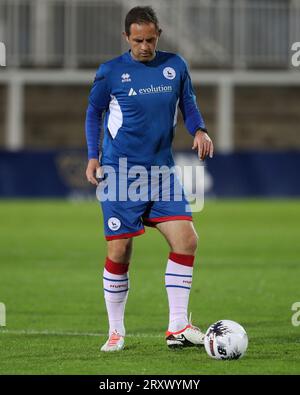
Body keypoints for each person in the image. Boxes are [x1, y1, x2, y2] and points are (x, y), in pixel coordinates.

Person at [85, 6, 214, 352]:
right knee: (120, 249)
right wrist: (93, 156)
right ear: (126, 37)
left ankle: (177, 327)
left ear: (160, 35)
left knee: (186, 240)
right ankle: (115, 331)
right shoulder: (111, 72)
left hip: (162, 172)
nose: (144, 46)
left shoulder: (176, 66)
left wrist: (199, 129)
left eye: (150, 40)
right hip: (120, 173)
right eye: (138, 40)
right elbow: (93, 113)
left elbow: (188, 102)